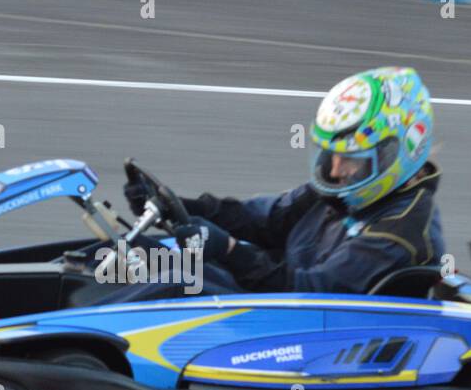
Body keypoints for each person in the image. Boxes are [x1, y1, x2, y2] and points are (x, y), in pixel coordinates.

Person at [114, 66, 445, 300]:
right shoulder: (340, 192)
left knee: (180, 280)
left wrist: (229, 250)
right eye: (332, 155)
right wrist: (180, 207)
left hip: (312, 333)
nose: (338, 169)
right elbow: (262, 220)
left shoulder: (401, 229)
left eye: (353, 159)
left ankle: (80, 343)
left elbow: (314, 293)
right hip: (280, 301)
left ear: (399, 153)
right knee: (150, 255)